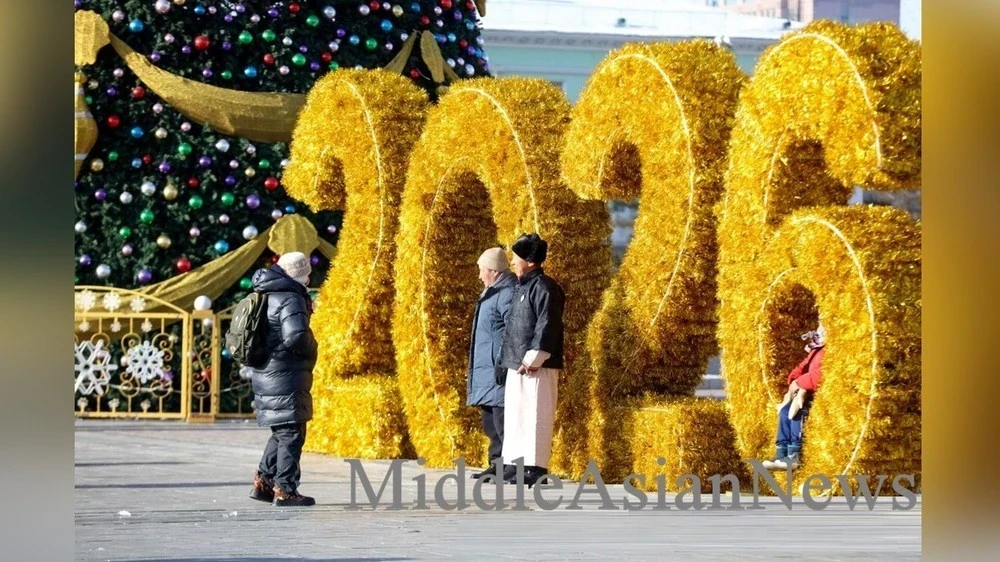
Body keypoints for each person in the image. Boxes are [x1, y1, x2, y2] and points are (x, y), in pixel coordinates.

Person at [246, 251, 319, 506]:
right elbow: (296, 336)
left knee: (282, 431)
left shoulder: (267, 292)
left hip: (267, 371)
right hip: (286, 374)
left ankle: (264, 482)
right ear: (301, 274)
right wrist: (313, 347)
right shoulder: (290, 297)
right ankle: (285, 490)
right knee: (292, 433)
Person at [498, 233, 565, 487]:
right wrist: (505, 360)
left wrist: (534, 358)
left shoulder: (545, 288)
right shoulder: (522, 286)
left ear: (529, 261)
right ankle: (514, 463)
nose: (513, 261)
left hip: (537, 366)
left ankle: (535, 467)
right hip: (516, 364)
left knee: (536, 415)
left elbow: (547, 325)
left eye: (516, 257)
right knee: (516, 416)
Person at [466, 247, 516, 480]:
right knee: (490, 421)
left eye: (482, 270)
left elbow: (512, 330)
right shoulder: (492, 292)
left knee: (501, 420)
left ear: (494, 271)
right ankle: (496, 464)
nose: (479, 276)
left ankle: (508, 466)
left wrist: (503, 362)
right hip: (487, 369)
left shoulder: (506, 293)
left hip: (498, 369)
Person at [763, 325, 826, 471]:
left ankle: (793, 454)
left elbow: (821, 374)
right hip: (802, 390)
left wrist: (800, 382)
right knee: (785, 412)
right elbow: (802, 367)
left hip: (814, 394)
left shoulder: (829, 352)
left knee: (798, 414)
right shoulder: (816, 350)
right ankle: (781, 454)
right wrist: (794, 380)